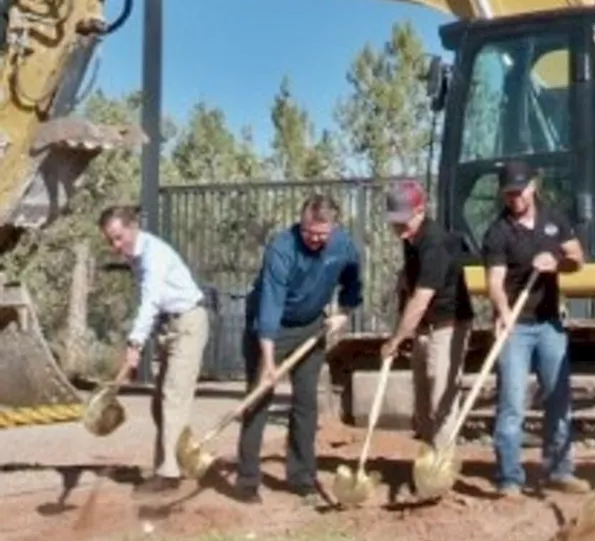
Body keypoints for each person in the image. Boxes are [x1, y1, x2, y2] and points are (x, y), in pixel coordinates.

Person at [234, 194, 362, 505]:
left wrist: (344, 311)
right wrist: (269, 364)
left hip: (310, 327)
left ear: (333, 228)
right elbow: (270, 306)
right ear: (300, 223)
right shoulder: (282, 249)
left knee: (306, 402)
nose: (316, 239)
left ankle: (302, 476)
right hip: (272, 328)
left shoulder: (343, 245)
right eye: (310, 232)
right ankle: (248, 479)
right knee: (259, 399)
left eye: (323, 233)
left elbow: (354, 282)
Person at [479, 160, 591, 496]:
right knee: (512, 403)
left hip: (549, 325)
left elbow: (578, 259)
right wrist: (503, 311)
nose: (515, 198)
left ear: (533, 187)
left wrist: (556, 261)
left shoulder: (554, 219)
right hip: (517, 326)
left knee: (558, 398)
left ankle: (559, 469)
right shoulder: (497, 232)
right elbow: (494, 282)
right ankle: (509, 477)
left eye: (520, 191)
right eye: (509, 193)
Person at [99, 205, 210, 496]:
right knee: (159, 403)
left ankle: (168, 473)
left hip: (188, 323)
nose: (115, 245)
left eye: (119, 237)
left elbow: (150, 301)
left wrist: (135, 344)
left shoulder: (153, 256)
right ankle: (182, 458)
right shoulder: (134, 255)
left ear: (133, 227)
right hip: (168, 327)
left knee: (173, 398)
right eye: (110, 240)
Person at [378, 179, 474, 455]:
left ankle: (441, 467)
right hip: (424, 328)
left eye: (404, 221)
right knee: (422, 403)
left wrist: (395, 340)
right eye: (395, 222)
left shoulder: (435, 244)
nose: (399, 229)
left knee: (441, 399)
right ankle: (426, 457)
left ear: (421, 210)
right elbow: (410, 284)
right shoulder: (411, 239)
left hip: (448, 326)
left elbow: (420, 299)